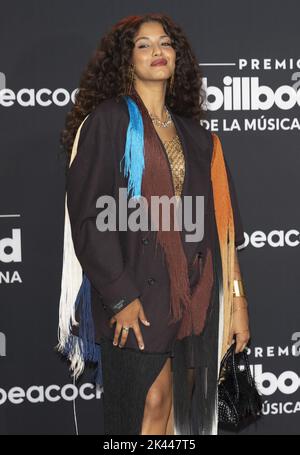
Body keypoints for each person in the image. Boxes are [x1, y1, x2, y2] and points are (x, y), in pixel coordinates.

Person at [57, 13, 250, 435]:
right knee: (149, 404)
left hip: (195, 298)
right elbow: (88, 217)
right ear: (127, 61)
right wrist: (121, 296)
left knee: (178, 414)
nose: (157, 51)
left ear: (177, 57)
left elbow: (223, 233)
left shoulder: (199, 139)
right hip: (135, 295)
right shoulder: (109, 122)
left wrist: (236, 304)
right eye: (143, 45)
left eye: (164, 43)